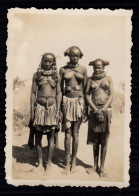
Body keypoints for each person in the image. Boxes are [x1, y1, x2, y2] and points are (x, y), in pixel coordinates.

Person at [29, 53, 61, 174]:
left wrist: (58, 110)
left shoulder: (56, 76)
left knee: (51, 137)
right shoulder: (36, 75)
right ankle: (40, 163)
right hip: (40, 108)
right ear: (42, 61)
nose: (47, 63)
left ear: (53, 63)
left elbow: (58, 93)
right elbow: (33, 93)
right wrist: (32, 110)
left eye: (50, 61)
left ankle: (48, 164)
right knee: (38, 136)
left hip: (52, 109)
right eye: (45, 61)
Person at [59, 46, 87, 174]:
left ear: (80, 56)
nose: (74, 57)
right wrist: (60, 107)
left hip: (79, 102)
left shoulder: (83, 69)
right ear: (68, 55)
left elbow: (86, 90)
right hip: (67, 102)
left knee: (76, 133)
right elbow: (59, 90)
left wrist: (86, 108)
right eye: (72, 55)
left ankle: (74, 162)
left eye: (77, 55)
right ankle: (67, 162)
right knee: (67, 133)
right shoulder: (63, 70)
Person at [85, 59, 114, 177]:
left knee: (104, 140)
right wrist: (95, 109)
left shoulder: (108, 79)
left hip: (106, 111)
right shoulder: (90, 80)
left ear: (103, 67)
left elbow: (112, 94)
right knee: (95, 141)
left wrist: (103, 109)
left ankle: (102, 167)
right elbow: (87, 95)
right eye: (95, 67)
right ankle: (94, 166)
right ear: (93, 68)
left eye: (100, 67)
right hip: (94, 111)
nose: (97, 69)